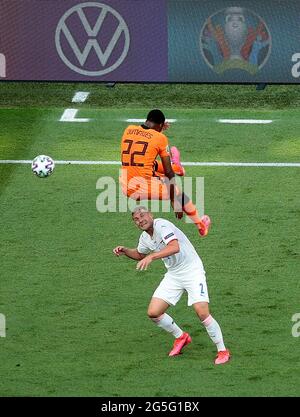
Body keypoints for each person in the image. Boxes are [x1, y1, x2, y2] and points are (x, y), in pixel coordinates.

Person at [113, 206, 230, 365]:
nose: (141, 220)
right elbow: (140, 254)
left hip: (192, 270)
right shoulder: (145, 237)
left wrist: (152, 256)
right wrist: (125, 250)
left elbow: (174, 247)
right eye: (136, 219)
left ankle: (222, 350)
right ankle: (181, 337)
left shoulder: (162, 225)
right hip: (174, 274)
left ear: (151, 215)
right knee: (154, 312)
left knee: (202, 312)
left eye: (143, 216)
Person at [120, 109, 211, 237]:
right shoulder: (160, 138)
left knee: (151, 164)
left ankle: (178, 168)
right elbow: (168, 172)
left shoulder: (128, 129)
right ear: (161, 125)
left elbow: (146, 138)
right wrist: (175, 202)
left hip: (125, 183)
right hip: (142, 187)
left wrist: (160, 129)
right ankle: (201, 226)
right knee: (178, 191)